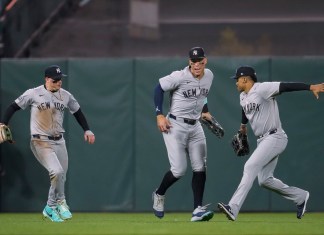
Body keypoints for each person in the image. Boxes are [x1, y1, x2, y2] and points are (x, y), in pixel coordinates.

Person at [217, 65, 324, 221]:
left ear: (245, 79)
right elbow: (245, 110)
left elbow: (286, 86)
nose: (236, 82)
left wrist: (310, 87)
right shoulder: (243, 96)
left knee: (250, 166)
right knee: (264, 180)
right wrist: (243, 126)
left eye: (237, 79)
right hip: (263, 141)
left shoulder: (262, 89)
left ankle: (233, 208)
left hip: (275, 137)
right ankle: (300, 196)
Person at [1, 65, 95, 222]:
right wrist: (2, 123)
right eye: (55, 80)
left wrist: (87, 130)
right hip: (40, 141)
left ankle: (50, 207)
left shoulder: (66, 95)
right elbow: (13, 107)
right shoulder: (33, 93)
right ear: (46, 79)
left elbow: (78, 112)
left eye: (60, 80)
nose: (59, 82)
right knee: (56, 172)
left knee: (61, 176)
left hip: (60, 141)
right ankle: (61, 202)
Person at [152, 47, 216, 222]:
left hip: (195, 126)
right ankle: (159, 194)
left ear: (205, 61)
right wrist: (159, 115)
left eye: (200, 61)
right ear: (189, 62)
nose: (196, 64)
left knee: (200, 167)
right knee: (179, 170)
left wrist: (205, 110)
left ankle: (197, 210)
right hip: (175, 124)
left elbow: (202, 95)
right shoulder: (179, 76)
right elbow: (158, 89)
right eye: (193, 61)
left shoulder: (209, 75)